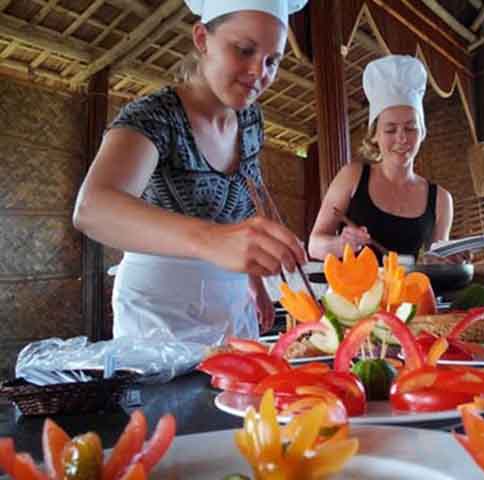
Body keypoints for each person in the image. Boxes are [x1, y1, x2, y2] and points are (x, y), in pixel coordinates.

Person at [73, 0, 308, 345]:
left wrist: (254, 282)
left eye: (272, 61)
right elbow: (93, 209)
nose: (261, 72)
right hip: (159, 309)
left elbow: (248, 197)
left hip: (231, 299)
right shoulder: (156, 116)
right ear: (201, 38)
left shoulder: (251, 121)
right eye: (244, 50)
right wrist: (211, 240)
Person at [308, 55, 454, 263]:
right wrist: (340, 244)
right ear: (374, 134)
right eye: (390, 129)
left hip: (407, 294)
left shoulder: (440, 199)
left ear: (422, 132)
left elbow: (437, 261)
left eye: (411, 128)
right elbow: (314, 245)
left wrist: (451, 259)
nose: (401, 138)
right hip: (353, 294)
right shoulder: (353, 177)